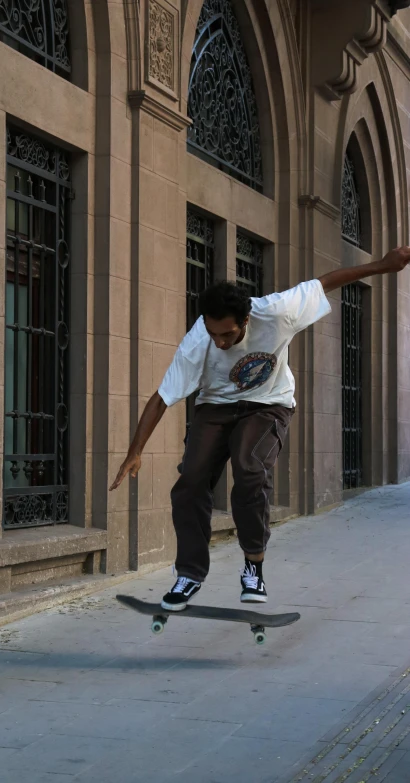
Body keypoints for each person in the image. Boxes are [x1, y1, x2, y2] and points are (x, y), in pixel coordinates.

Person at [110, 248, 410, 611]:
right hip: (215, 407)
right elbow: (162, 397)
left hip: (269, 404)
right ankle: (189, 573)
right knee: (190, 481)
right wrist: (135, 452)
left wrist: (384, 265)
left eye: (228, 335)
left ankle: (253, 566)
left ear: (246, 320)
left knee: (250, 468)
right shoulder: (198, 341)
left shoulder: (277, 310)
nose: (220, 342)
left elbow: (326, 282)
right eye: (213, 333)